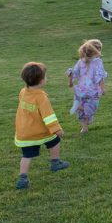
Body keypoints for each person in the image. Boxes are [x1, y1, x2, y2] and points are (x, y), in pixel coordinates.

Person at [14, 62, 68, 190]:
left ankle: (23, 178)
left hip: (25, 133)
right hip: (40, 132)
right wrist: (57, 129)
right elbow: (48, 116)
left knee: (27, 156)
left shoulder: (23, 92)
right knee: (55, 141)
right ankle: (55, 163)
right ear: (41, 81)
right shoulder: (41, 97)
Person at [66, 39, 108, 134]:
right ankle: (81, 109)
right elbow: (100, 76)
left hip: (80, 90)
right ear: (96, 52)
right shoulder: (97, 62)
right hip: (92, 91)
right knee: (92, 106)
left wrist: (70, 82)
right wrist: (102, 88)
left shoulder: (80, 61)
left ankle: (84, 127)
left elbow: (74, 73)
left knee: (85, 110)